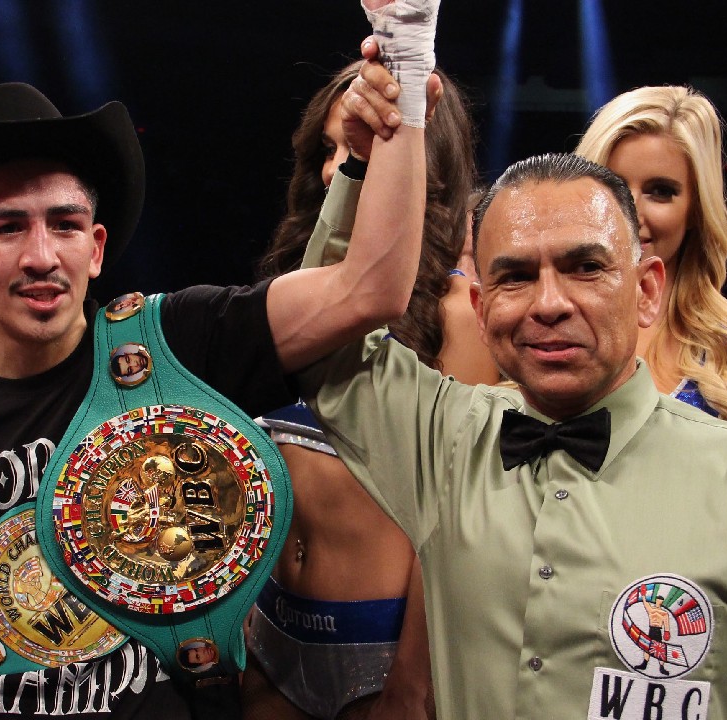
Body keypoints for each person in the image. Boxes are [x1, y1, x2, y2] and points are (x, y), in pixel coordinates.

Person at [0, 3, 440, 716]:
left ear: (97, 247)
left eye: (65, 224)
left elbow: (369, 290)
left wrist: (407, 64)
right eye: (7, 228)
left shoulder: (174, 342)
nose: (41, 256)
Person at [297, 148, 727, 718]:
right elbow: (325, 340)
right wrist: (365, 161)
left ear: (647, 291)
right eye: (516, 277)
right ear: (481, 311)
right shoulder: (447, 439)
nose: (549, 304)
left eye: (585, 267)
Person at [245, 60, 495, 720]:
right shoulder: (289, 293)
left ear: (422, 164)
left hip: (377, 651)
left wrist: (414, 679)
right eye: (329, 150)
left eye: (361, 149)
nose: (337, 169)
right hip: (270, 633)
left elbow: (459, 522)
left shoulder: (457, 316)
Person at [574, 85, 727, 421]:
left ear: (695, 210)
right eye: (611, 186)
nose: (630, 212)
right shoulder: (529, 324)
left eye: (660, 191)